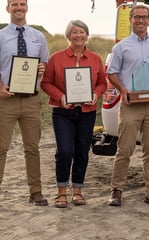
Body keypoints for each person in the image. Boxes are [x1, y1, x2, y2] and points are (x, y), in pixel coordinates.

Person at [0, 0, 50, 209]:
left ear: (27, 7)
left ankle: (36, 192)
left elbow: (45, 64)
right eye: (14, 5)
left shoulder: (37, 37)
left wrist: (42, 68)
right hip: (6, 100)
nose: (18, 8)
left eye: (22, 4)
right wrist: (0, 87)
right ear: (8, 8)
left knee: (32, 148)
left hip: (31, 101)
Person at [106, 5, 149, 208]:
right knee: (124, 148)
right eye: (137, 17)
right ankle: (116, 190)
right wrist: (122, 90)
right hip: (130, 105)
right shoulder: (121, 47)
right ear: (131, 19)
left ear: (148, 20)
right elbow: (112, 73)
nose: (141, 21)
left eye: (144, 17)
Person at [40, 20, 107, 209]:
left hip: (87, 112)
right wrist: (60, 96)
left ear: (87, 35)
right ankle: (61, 191)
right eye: (75, 32)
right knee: (65, 151)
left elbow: (102, 82)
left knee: (81, 152)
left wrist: (96, 94)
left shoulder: (95, 59)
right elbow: (46, 82)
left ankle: (77, 190)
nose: (79, 35)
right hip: (63, 112)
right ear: (68, 36)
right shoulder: (57, 58)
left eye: (82, 32)